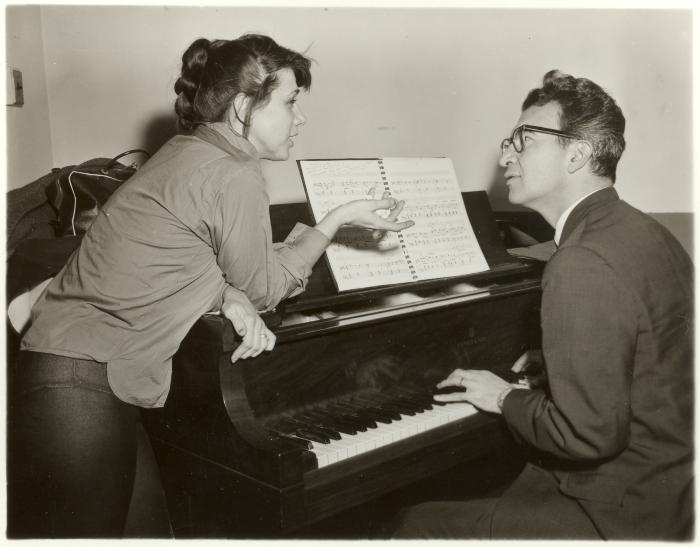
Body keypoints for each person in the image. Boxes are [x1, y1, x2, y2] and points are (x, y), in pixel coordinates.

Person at [7, 34, 413, 538]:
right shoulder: (234, 172)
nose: (300, 118)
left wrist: (227, 292)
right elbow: (266, 286)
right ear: (244, 106)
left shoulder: (188, 149)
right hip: (80, 383)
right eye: (290, 103)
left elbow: (167, 251)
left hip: (82, 375)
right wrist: (335, 222)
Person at [393, 70, 693, 540]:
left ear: (577, 154)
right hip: (668, 491)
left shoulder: (580, 261)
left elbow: (587, 434)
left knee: (412, 522)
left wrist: (503, 396)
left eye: (523, 140)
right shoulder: (648, 233)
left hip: (614, 513)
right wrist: (559, 362)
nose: (503, 155)